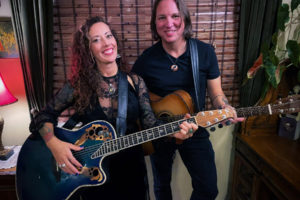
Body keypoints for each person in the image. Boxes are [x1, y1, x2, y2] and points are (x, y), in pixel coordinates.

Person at [29, 16, 198, 200]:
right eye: (96, 40)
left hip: (131, 173)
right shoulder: (79, 86)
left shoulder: (135, 82)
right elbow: (43, 116)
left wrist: (175, 132)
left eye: (108, 36)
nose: (106, 43)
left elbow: (151, 124)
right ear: (88, 50)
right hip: (91, 177)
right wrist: (55, 145)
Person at [131, 0, 244, 199]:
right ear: (155, 23)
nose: (169, 23)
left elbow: (217, 94)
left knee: (208, 189)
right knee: (161, 187)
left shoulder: (204, 52)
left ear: (185, 18)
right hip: (161, 131)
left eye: (175, 16)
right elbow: (135, 100)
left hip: (194, 125)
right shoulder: (146, 60)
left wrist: (224, 107)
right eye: (162, 17)